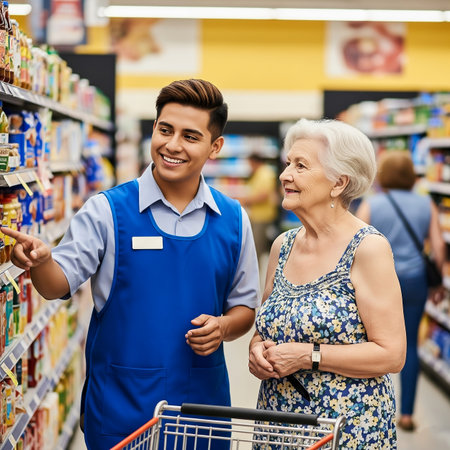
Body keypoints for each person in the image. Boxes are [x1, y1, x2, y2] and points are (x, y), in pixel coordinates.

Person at [2, 79, 259, 449]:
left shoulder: (233, 220)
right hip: (123, 407)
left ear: (214, 147)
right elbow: (55, 286)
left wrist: (223, 326)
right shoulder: (107, 210)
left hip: (203, 408)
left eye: (190, 136)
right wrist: (40, 262)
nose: (172, 145)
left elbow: (244, 309)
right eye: (164, 130)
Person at [248, 118, 406, 448]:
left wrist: (309, 356)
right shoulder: (283, 245)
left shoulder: (367, 249)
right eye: (288, 163)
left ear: (338, 183)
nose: (285, 174)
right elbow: (266, 328)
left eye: (301, 165)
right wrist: (256, 349)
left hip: (344, 428)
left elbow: (391, 354)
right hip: (279, 422)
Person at [356, 150, 446, 432]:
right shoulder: (426, 204)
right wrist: (438, 280)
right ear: (411, 176)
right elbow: (438, 245)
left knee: (370, 344)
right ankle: (406, 414)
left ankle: (369, 409)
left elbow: (354, 243)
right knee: (409, 347)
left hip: (377, 283)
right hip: (415, 281)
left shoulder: (372, 204)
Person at [238, 152, 278, 261]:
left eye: (249, 163)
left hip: (262, 217)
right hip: (256, 216)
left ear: (254, 162)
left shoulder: (265, 173)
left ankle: (257, 275)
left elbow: (264, 195)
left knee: (257, 248)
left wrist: (245, 200)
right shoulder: (259, 173)